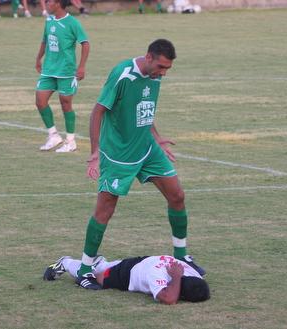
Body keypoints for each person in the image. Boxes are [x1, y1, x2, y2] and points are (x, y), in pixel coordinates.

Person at [75, 39, 205, 289]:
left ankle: (181, 256)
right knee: (105, 210)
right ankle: (84, 268)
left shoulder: (155, 77)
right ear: (148, 57)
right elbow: (98, 111)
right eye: (161, 66)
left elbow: (144, 110)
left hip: (147, 148)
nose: (163, 72)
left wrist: (157, 137)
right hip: (118, 154)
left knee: (177, 195)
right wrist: (94, 153)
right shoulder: (122, 74)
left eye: (167, 68)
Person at [35, 0, 89, 152]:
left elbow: (85, 43)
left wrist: (82, 66)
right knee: (40, 100)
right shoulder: (49, 20)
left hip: (66, 71)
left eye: (49, 1)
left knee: (65, 104)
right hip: (48, 69)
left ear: (58, 3)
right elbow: (44, 41)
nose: (46, 4)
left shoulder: (72, 23)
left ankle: (70, 141)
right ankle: (53, 135)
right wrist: (38, 58)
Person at [43, 255, 210, 304]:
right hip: (129, 273)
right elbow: (169, 299)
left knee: (105, 267)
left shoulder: (191, 275)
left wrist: (177, 278)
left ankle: (101, 263)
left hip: (144, 262)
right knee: (95, 280)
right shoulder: (160, 275)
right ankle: (65, 262)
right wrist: (176, 278)